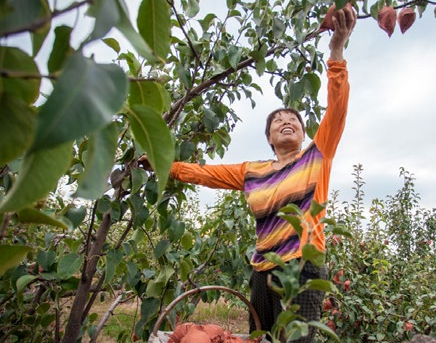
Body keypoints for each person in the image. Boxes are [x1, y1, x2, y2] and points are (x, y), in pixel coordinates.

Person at [140, 5, 356, 342]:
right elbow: (204, 174)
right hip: (262, 271)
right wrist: (162, 162)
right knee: (261, 339)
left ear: (302, 132)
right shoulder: (251, 171)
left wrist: (336, 52)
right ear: (269, 138)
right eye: (277, 121)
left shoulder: (317, 156)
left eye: (294, 120)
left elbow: (338, 108)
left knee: (297, 339)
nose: (287, 121)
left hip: (301, 267)